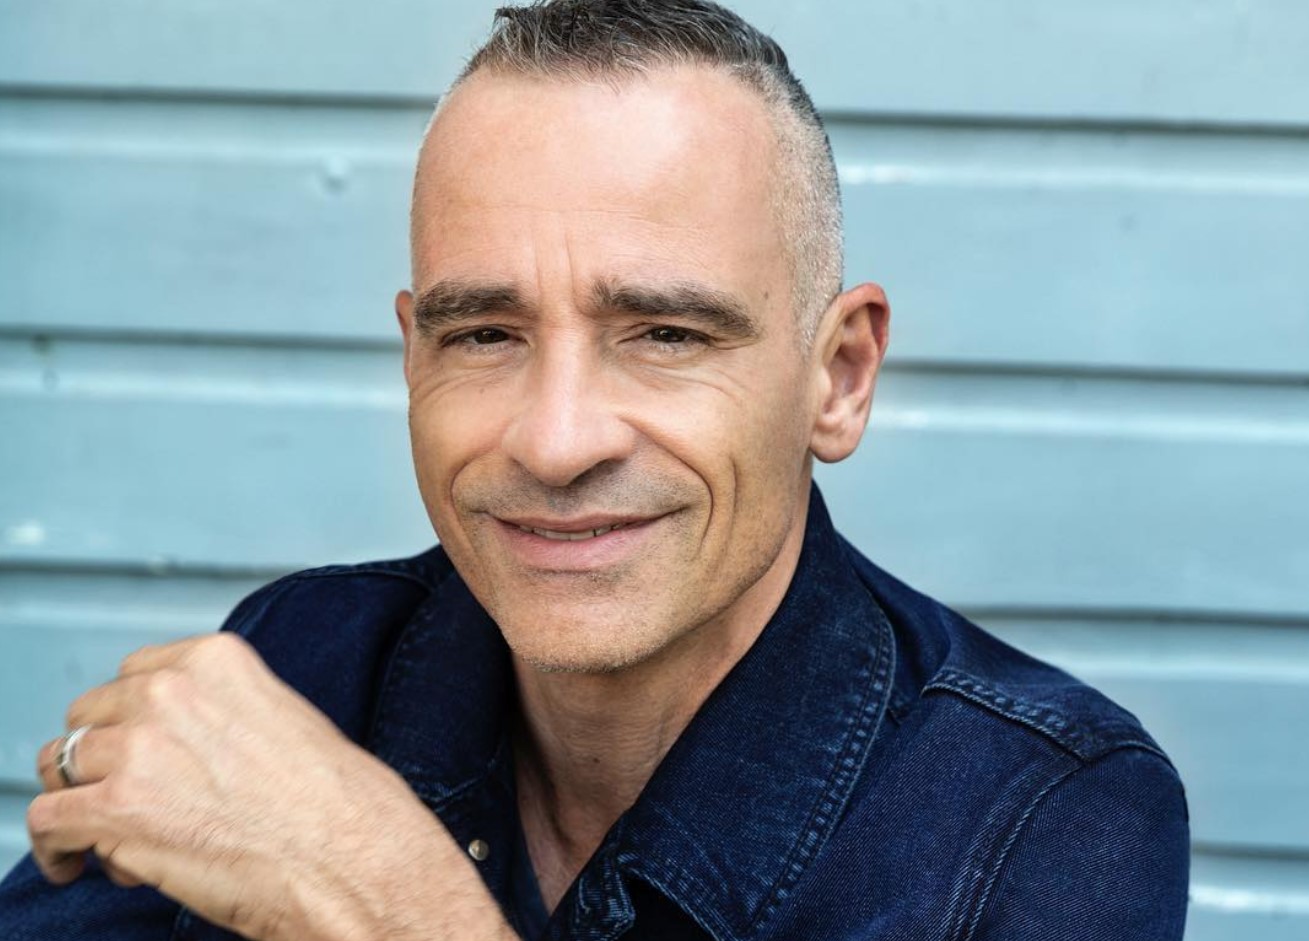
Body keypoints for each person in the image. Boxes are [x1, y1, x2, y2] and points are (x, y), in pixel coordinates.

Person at [0, 1, 1190, 939]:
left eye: (665, 333)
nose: (556, 439)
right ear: (413, 357)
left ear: (836, 376)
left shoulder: (1042, 814)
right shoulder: (302, 662)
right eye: (484, 334)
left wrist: (391, 906)